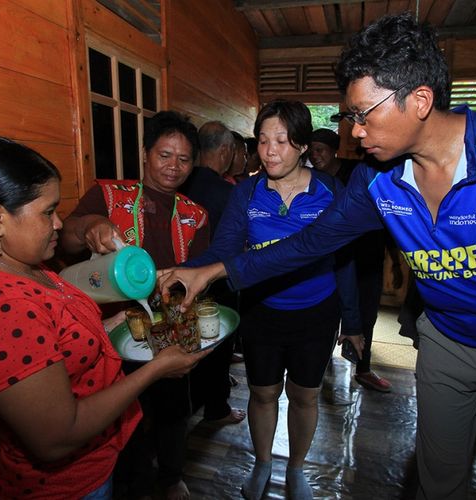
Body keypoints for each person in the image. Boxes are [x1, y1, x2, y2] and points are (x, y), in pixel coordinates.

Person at [157, 13, 476, 500]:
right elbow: (311, 243)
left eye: (361, 114)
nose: (352, 133)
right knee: (437, 479)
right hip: (447, 342)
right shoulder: (376, 180)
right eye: (350, 117)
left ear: (419, 100)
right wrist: (216, 268)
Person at [0, 135, 206, 499]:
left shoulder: (27, 268)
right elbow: (57, 438)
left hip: (97, 464)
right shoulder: (2, 312)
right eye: (47, 212)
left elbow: (56, 348)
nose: (58, 224)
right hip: (66, 487)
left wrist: (119, 322)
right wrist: (156, 369)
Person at [182, 99, 363, 500]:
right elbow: (225, 249)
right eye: (263, 141)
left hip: (317, 313)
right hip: (262, 311)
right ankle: (263, 461)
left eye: (281, 140)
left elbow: (345, 260)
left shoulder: (331, 190)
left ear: (301, 145)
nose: (270, 151)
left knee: (305, 395)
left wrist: (352, 323)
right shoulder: (246, 191)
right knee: (263, 393)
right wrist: (185, 270)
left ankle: (296, 466)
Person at [60, 111, 209, 500]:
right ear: (145, 154)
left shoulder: (195, 215)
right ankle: (130, 482)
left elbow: (200, 275)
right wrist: (89, 224)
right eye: (164, 155)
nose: (173, 166)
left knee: (174, 405)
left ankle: (172, 474)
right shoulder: (108, 195)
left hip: (171, 324)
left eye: (184, 158)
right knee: (120, 410)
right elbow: (67, 242)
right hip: (111, 331)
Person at [309, 128, 392, 392]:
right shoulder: (312, 179)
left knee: (365, 315)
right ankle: (321, 363)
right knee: (328, 313)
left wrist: (397, 262)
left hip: (366, 259)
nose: (315, 155)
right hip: (330, 262)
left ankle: (363, 369)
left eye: (320, 149)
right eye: (311, 150)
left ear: (334, 150)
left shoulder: (358, 172)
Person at [180, 120, 246, 425]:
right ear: (225, 150)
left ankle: (191, 402)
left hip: (179, 278)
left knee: (187, 343)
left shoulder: (180, 184)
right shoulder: (228, 192)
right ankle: (216, 408)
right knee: (217, 345)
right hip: (217, 281)